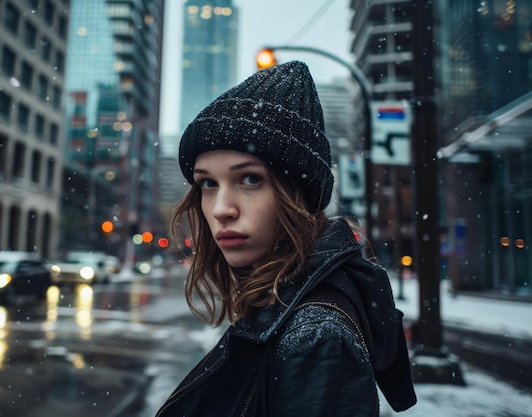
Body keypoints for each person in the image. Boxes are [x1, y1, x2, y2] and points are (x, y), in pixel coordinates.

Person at [156, 61, 417, 416]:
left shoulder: (315, 336)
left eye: (250, 179)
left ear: (299, 194)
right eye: (208, 183)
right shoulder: (285, 305)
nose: (220, 209)